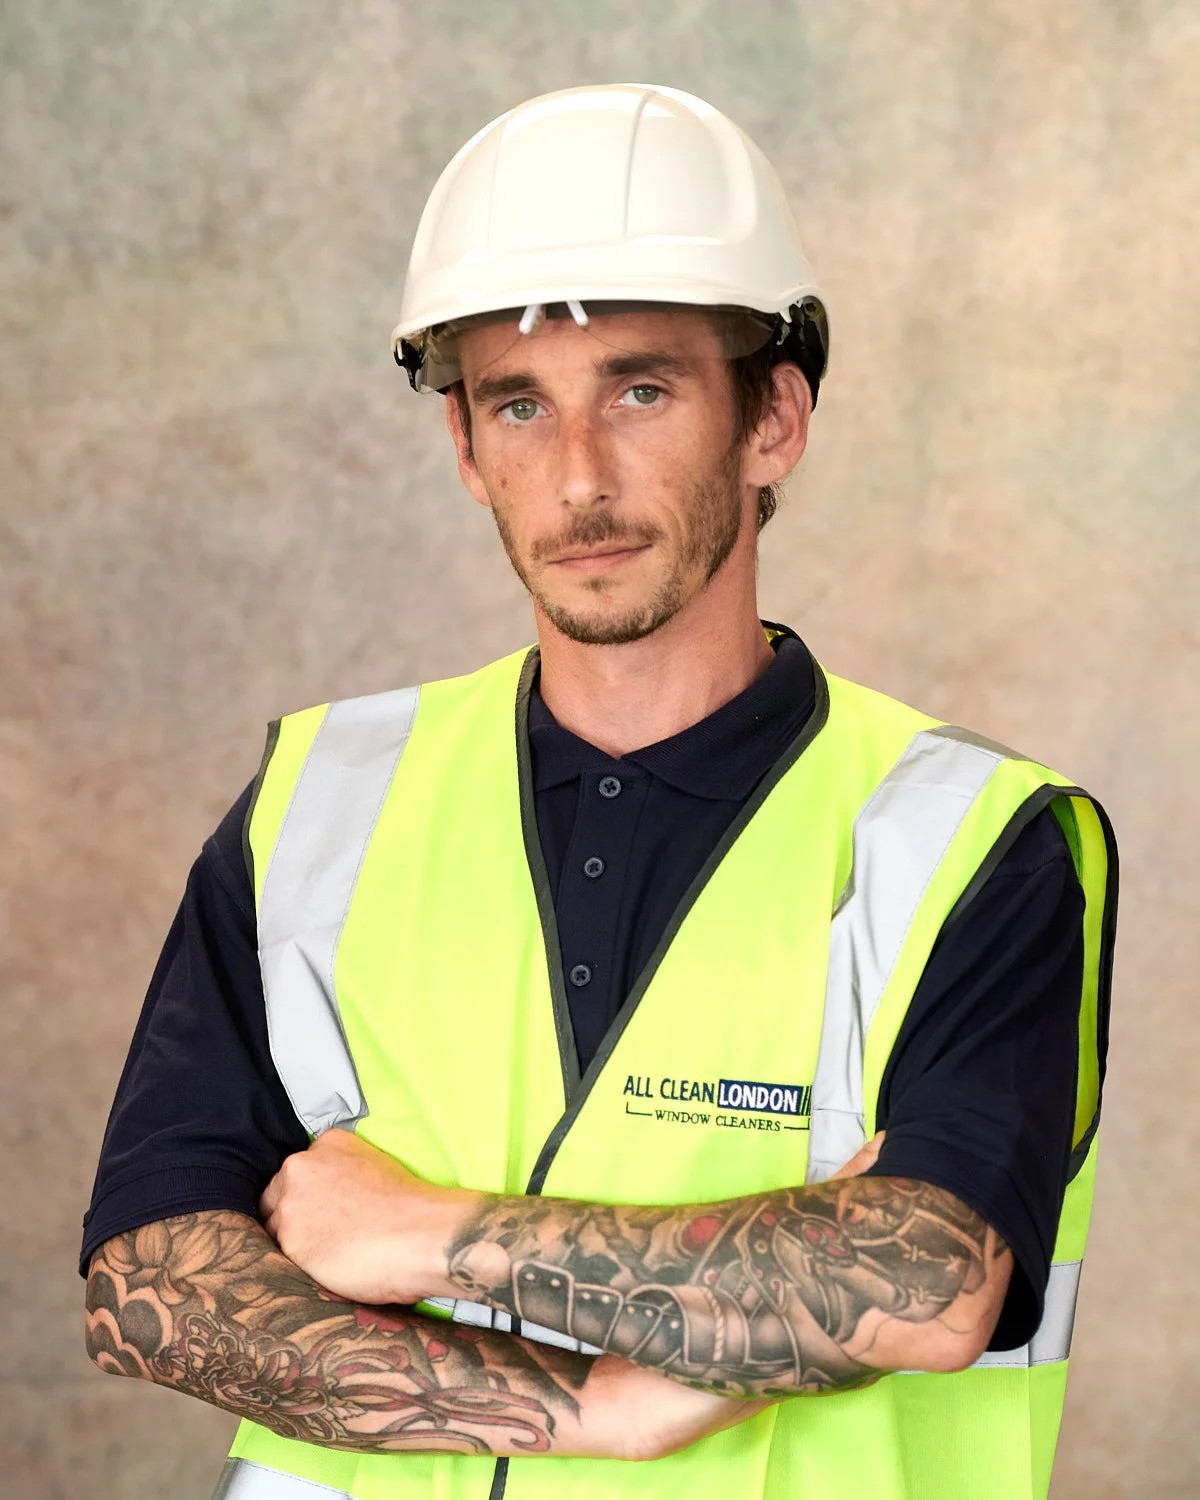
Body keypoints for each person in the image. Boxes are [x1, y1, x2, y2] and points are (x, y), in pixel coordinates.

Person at [82, 84, 1117, 1500]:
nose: (579, 479)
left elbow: (927, 1282)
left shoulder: (967, 839)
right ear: (464, 449)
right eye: (518, 404)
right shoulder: (319, 800)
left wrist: (425, 1235)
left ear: (775, 421)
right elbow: (151, 1280)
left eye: (642, 389)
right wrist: (594, 1413)